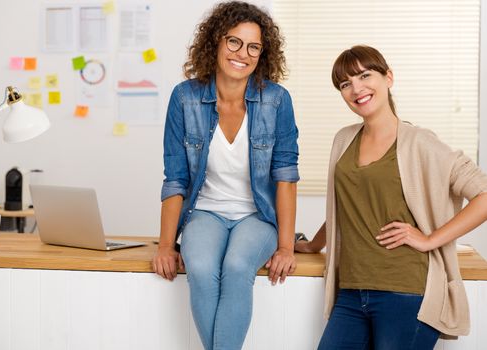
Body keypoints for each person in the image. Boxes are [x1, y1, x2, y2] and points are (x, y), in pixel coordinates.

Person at [295, 45, 487, 349]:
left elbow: (484, 195)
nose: (357, 88)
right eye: (345, 83)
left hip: (406, 291)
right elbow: (346, 208)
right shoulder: (344, 139)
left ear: (388, 78)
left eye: (365, 75)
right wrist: (313, 245)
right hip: (351, 292)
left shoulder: (420, 142)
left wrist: (429, 239)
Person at [152, 2, 299, 349]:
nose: (242, 54)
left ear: (262, 54)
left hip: (257, 215)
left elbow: (286, 176)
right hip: (204, 212)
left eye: (253, 47)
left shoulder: (276, 100)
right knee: (201, 270)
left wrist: (286, 247)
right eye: (234, 42)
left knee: (236, 267)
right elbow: (175, 179)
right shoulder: (184, 98)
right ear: (216, 41)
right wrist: (164, 245)